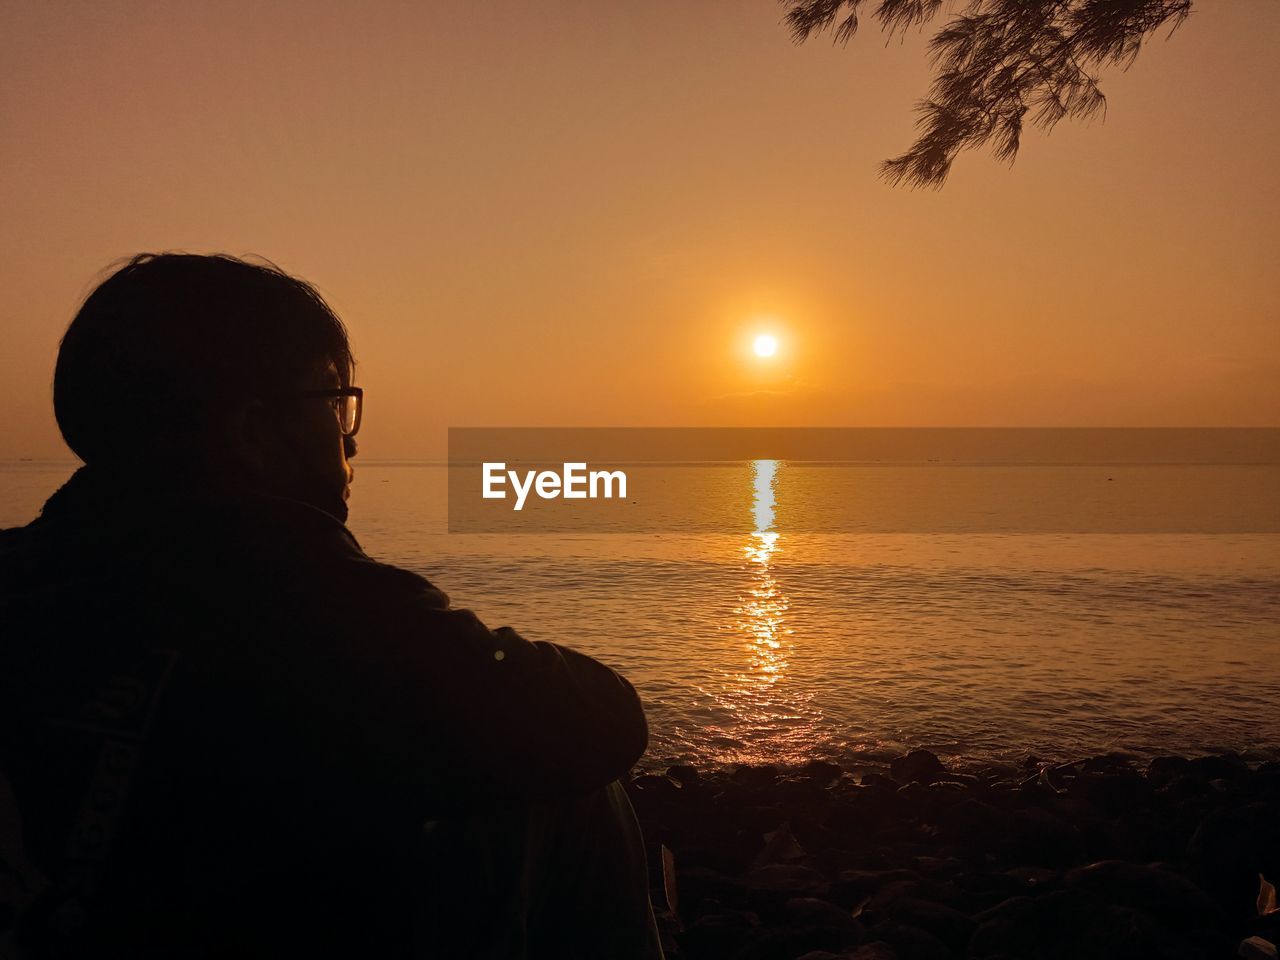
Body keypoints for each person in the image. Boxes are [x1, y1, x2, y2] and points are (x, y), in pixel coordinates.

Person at [0, 253, 665, 959]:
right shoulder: (298, 603)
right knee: (569, 793)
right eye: (332, 401)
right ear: (255, 433)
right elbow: (602, 717)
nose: (352, 438)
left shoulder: (26, 572)